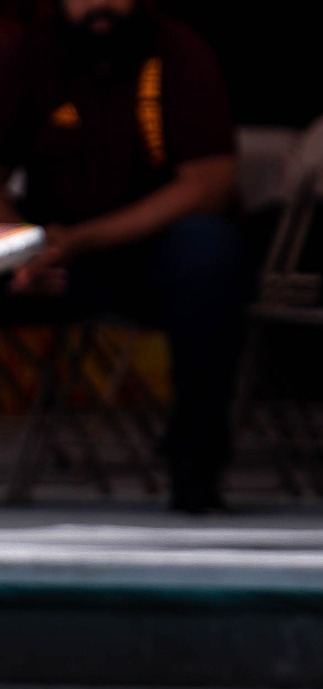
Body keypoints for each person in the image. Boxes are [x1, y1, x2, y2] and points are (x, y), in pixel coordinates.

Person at [0, 0, 243, 513]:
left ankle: (195, 463)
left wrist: (82, 239)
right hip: (44, 256)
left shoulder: (179, 51)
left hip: (147, 253)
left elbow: (208, 184)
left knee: (209, 251)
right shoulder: (27, 51)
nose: (100, 5)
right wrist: (22, 249)